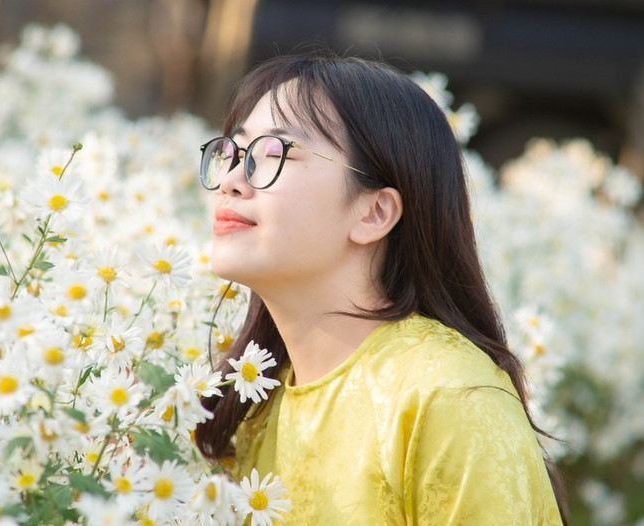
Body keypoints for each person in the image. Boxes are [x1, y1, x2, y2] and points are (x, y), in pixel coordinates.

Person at [195, 52, 568, 525]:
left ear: (374, 213)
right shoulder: (252, 408)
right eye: (233, 153)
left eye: (273, 154)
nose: (229, 182)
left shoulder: (447, 396)